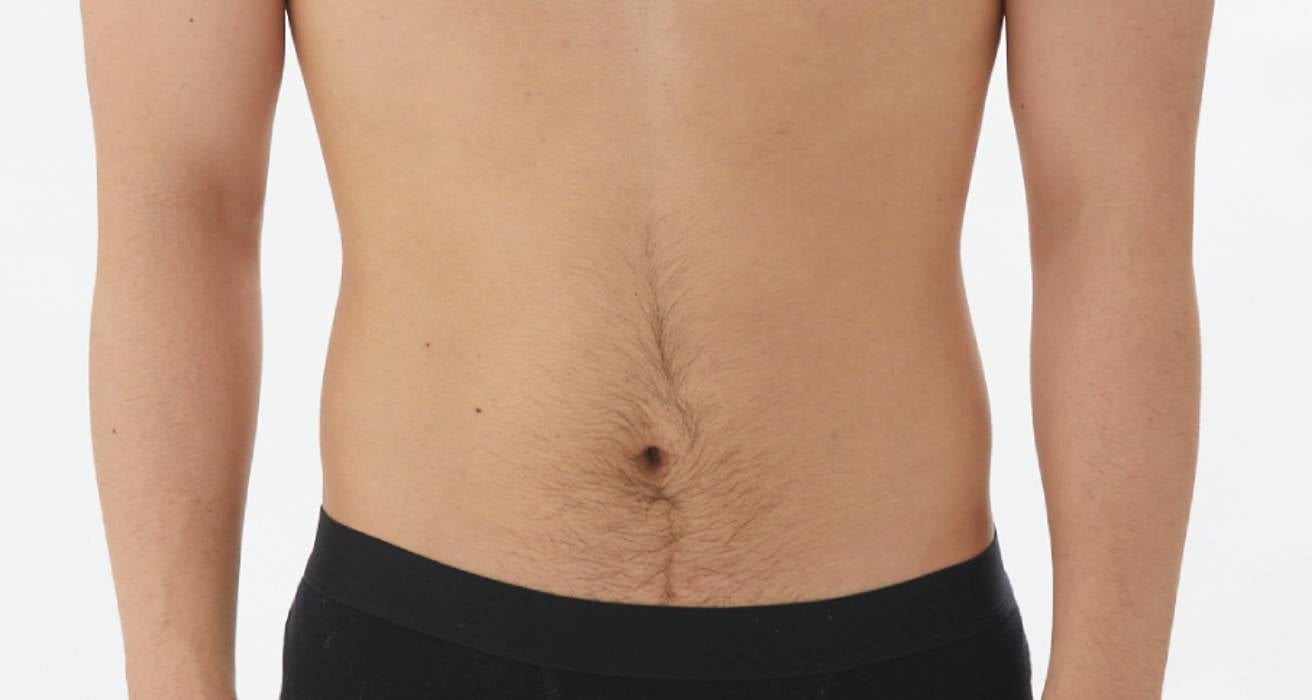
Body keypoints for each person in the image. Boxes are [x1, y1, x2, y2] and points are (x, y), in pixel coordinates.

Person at [82, 1, 1213, 698]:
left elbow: (1111, 225)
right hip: (419, 636)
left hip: (893, 639)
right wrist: (173, 683)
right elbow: (181, 213)